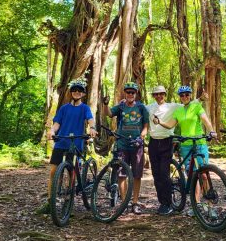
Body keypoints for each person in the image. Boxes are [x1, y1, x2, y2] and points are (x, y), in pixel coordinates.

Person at [36, 79, 97, 215]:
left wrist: (92, 128)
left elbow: (90, 120)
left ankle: (68, 202)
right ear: (71, 92)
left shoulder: (85, 108)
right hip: (61, 142)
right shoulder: (64, 108)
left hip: (76, 144)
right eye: (74, 90)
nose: (77, 92)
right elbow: (57, 123)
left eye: (79, 91)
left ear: (83, 94)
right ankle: (50, 201)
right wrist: (52, 131)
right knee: (53, 171)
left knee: (72, 173)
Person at [153, 85, 217, 214]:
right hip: (186, 145)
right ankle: (197, 205)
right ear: (179, 97)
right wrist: (159, 122)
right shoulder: (179, 111)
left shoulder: (196, 106)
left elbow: (205, 120)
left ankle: (210, 207)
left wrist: (212, 131)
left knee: (204, 174)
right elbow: (170, 125)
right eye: (182, 95)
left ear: (190, 95)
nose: (184, 97)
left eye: (187, 94)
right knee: (193, 176)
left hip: (199, 143)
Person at [103, 82, 149, 215]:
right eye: (128, 92)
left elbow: (146, 125)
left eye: (132, 92)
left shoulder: (141, 107)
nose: (130, 94)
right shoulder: (121, 106)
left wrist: (141, 137)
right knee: (122, 175)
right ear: (125, 93)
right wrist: (105, 104)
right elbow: (109, 114)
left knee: (136, 175)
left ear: (135, 94)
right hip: (122, 145)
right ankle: (124, 203)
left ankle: (134, 203)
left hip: (137, 145)